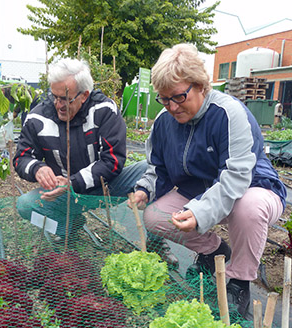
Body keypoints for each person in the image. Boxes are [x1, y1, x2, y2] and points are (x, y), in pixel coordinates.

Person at [129, 43, 287, 319]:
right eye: (164, 99)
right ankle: (215, 251)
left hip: (252, 187)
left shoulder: (228, 113)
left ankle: (239, 281)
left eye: (178, 97)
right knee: (155, 216)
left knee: (248, 208)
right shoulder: (164, 121)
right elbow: (158, 168)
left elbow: (236, 176)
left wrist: (199, 211)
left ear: (200, 85)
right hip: (200, 192)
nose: (172, 107)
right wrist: (145, 188)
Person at [13, 57, 177, 265]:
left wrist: (73, 181)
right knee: (26, 205)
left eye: (66, 99)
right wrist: (36, 168)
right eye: (54, 97)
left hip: (107, 184)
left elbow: (113, 161)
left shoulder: (104, 110)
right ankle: (67, 228)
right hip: (63, 191)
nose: (58, 105)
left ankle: (156, 242)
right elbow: (21, 156)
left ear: (85, 95)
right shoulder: (38, 118)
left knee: (151, 171)